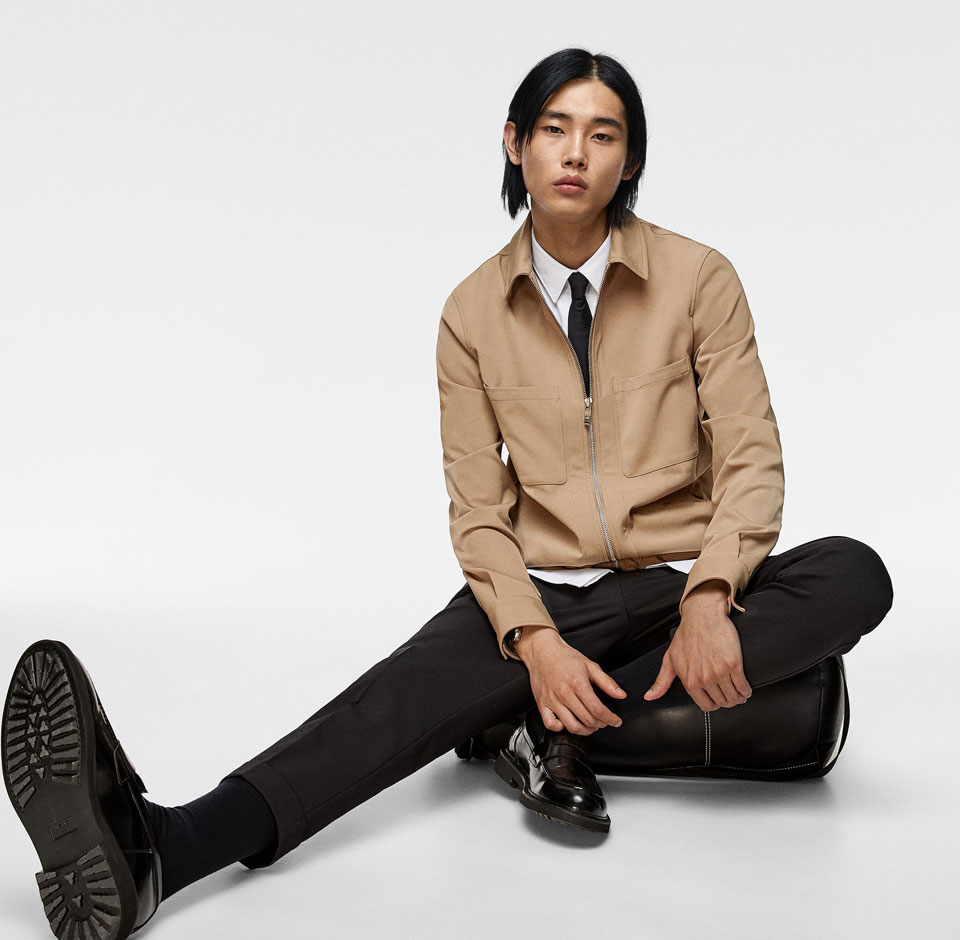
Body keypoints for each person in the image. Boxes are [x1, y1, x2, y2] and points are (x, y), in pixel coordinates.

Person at [2, 47, 894, 940]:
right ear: (516, 143)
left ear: (630, 160)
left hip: (677, 582)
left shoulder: (700, 279)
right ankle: (168, 847)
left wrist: (709, 594)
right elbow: (478, 509)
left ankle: (536, 727)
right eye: (555, 129)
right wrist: (534, 643)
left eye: (603, 135)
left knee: (852, 573)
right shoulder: (470, 314)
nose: (575, 153)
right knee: (387, 705)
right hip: (545, 594)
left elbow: (751, 456)